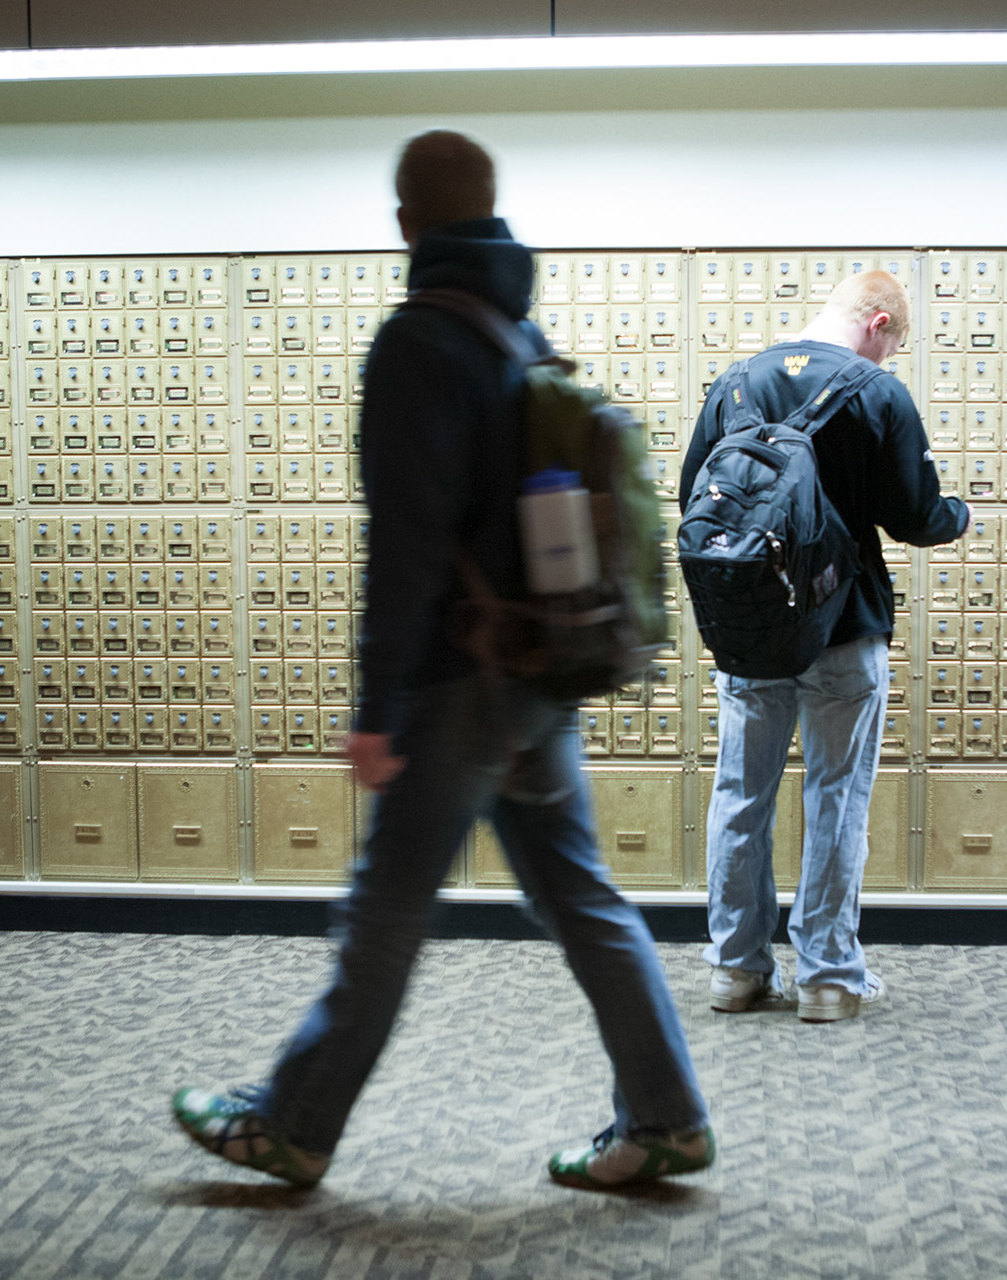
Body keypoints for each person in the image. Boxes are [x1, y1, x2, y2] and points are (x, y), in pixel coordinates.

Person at [172, 130, 713, 1191]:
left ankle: (293, 1124)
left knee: (385, 912)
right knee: (582, 898)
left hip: (458, 684)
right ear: (490, 211)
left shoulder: (419, 342)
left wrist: (378, 709)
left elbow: (410, 545)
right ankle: (668, 1117)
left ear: (405, 223)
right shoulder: (519, 333)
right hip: (538, 674)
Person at [682, 271, 969, 1023]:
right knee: (836, 797)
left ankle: (736, 969)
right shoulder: (878, 393)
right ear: (879, 324)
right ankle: (827, 977)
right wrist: (958, 513)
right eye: (893, 345)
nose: (888, 359)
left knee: (740, 796)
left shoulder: (735, 385)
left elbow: (694, 503)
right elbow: (916, 517)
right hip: (843, 628)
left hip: (754, 633)